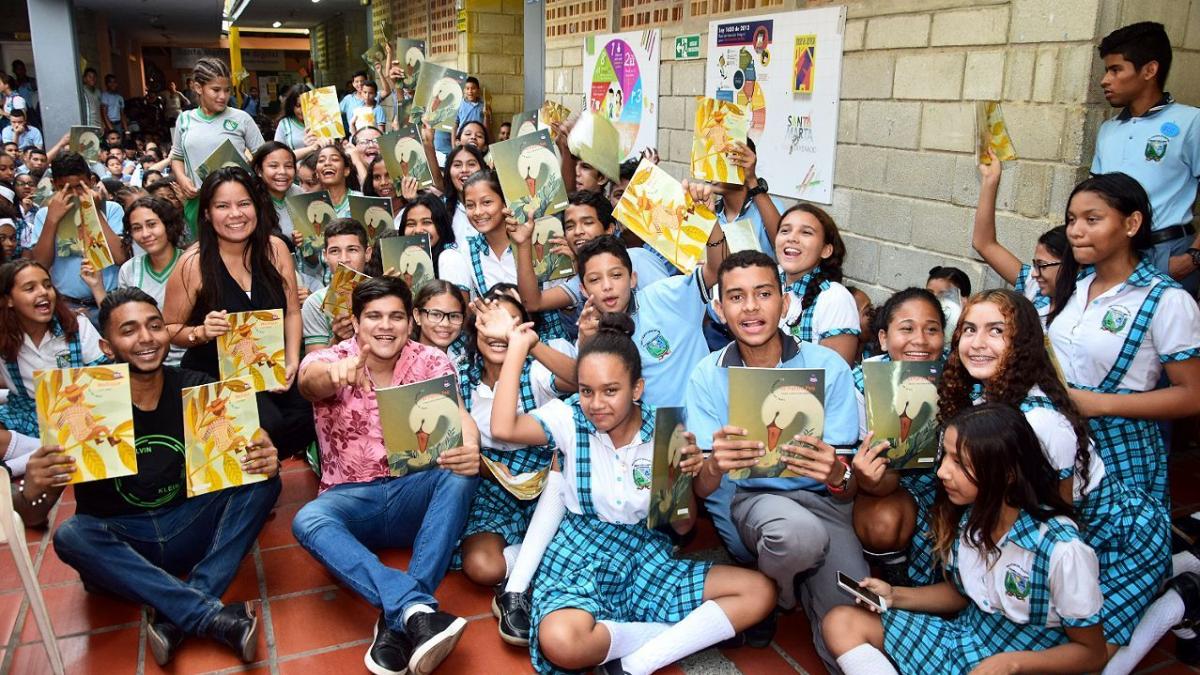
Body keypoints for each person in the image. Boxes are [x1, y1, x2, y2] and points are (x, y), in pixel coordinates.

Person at [490, 312, 776, 675]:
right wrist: (518, 347)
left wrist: (684, 478)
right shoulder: (570, 419)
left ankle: (636, 663)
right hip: (580, 557)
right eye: (586, 390)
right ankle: (682, 634)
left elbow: (683, 527)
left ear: (637, 389)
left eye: (611, 391)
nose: (596, 404)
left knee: (760, 592)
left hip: (645, 556)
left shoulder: (665, 430)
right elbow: (503, 427)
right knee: (561, 642)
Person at [41, 288, 283, 666]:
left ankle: (178, 614)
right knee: (71, 535)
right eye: (130, 330)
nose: (146, 338)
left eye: (155, 326)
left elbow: (257, 420)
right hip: (126, 542)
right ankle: (209, 616)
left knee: (265, 482)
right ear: (107, 346)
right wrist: (36, 483)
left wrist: (262, 446)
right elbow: (31, 508)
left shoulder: (194, 385)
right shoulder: (81, 402)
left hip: (188, 525)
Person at [941, 289, 1170, 668]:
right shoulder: (986, 400)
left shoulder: (1042, 424)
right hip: (1061, 543)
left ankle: (1177, 601)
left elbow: (1060, 520)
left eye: (996, 331)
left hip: (1117, 538)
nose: (978, 343)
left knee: (1092, 660)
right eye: (969, 329)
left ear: (1024, 343)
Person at [822, 404, 1109, 675]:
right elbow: (962, 594)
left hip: (1025, 662)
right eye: (945, 457)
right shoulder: (972, 519)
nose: (942, 472)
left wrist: (1012, 664)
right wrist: (894, 595)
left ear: (1007, 473)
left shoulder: (1062, 549)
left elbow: (1091, 653)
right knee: (841, 622)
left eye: (959, 463)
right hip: (965, 640)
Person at [294, 276, 481, 675]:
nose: (385, 326)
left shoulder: (431, 361)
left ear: (410, 322)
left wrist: (471, 448)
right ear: (355, 321)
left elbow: (460, 414)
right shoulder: (328, 359)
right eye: (374, 316)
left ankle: (400, 617)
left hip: (413, 494)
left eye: (395, 316)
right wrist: (337, 373)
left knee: (460, 474)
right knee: (307, 519)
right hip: (352, 498)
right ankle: (416, 610)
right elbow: (309, 385)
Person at [687, 250, 862, 669]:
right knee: (798, 537)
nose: (750, 307)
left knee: (854, 617)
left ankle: (788, 581)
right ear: (719, 308)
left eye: (763, 293)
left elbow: (848, 484)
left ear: (785, 303)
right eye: (736, 297)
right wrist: (715, 464)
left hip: (829, 504)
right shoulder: (707, 375)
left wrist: (837, 473)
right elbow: (700, 488)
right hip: (756, 499)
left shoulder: (828, 367)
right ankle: (775, 590)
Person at [1047, 173, 1200, 506]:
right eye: (1072, 220)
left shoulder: (1165, 299)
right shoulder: (1075, 286)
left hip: (1119, 454)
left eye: (1092, 219)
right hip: (1057, 445)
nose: (1075, 230)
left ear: (1131, 224)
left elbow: (1193, 395)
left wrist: (1100, 404)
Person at [162, 167, 314, 460]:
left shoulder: (276, 249)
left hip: (270, 367)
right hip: (218, 376)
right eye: (223, 206)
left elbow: (293, 312)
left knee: (310, 410)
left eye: (244, 203)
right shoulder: (192, 264)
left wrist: (292, 360)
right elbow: (169, 329)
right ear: (206, 213)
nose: (236, 214)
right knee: (265, 424)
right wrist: (201, 332)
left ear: (257, 206)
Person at [452, 292, 576, 645]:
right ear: (474, 329)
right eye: (488, 323)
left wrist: (527, 344)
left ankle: (520, 580)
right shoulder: (461, 369)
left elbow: (581, 379)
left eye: (508, 323)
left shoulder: (536, 369)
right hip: (491, 481)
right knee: (481, 567)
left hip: (548, 478)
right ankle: (539, 555)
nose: (497, 332)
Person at [1092, 21, 1200, 292]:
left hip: (1168, 252)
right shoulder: (1108, 130)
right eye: (1107, 70)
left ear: (1150, 70)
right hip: (1113, 255)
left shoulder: (1191, 122)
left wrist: (1193, 257)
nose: (1105, 80)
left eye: (1116, 69)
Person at [849, 288, 945, 586]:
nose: (920, 340)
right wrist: (871, 474)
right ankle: (898, 579)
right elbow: (879, 480)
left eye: (932, 329)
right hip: (891, 487)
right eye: (906, 328)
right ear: (883, 338)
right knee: (882, 519)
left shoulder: (960, 377)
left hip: (948, 485)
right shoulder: (861, 383)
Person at [512, 190, 671, 341]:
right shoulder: (584, 276)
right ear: (584, 288)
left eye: (587, 223)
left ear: (609, 229)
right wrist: (524, 244)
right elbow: (533, 302)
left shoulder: (638, 258)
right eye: (569, 226)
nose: (578, 231)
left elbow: (669, 307)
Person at [0, 260, 106, 437]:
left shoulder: (77, 326)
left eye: (47, 285)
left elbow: (105, 377)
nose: (43, 292)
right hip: (26, 415)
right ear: (8, 300)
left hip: (78, 412)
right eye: (30, 288)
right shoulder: (4, 335)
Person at [23, 151, 128, 318]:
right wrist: (52, 220)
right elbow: (41, 264)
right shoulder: (45, 214)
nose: (74, 194)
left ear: (92, 182)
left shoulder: (112, 209)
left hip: (110, 298)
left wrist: (94, 212)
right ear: (54, 185)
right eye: (64, 188)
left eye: (80, 186)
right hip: (69, 305)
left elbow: (121, 257)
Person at [972, 149, 1065, 323]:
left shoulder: (1085, 305)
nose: (1035, 274)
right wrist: (990, 182)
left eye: (1043, 265)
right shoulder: (1034, 285)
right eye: (1035, 265)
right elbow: (984, 244)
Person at [169, 57, 265, 220]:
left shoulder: (242, 118)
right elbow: (177, 156)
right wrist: (182, 179)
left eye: (227, 90)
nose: (223, 96)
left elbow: (263, 157)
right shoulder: (184, 119)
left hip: (235, 203)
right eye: (216, 90)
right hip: (198, 202)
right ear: (198, 87)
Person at [772, 203, 861, 365]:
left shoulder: (834, 298)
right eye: (785, 230)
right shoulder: (766, 281)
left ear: (826, 250)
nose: (792, 238)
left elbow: (834, 377)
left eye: (806, 232)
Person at [114, 196, 187, 364]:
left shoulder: (191, 264)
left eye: (152, 225)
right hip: (148, 362)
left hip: (192, 361)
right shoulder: (129, 270)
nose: (145, 234)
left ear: (168, 225)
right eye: (137, 228)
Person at [302, 218, 371, 355]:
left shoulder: (386, 295)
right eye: (334, 251)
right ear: (325, 256)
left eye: (352, 249)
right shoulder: (315, 303)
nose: (344, 259)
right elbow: (312, 367)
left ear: (367, 254)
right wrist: (337, 339)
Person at [442, 144, 486, 248]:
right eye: (457, 165)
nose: (464, 170)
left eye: (471, 164)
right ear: (448, 171)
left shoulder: (498, 204)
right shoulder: (440, 208)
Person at [411, 280, 468, 360]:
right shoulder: (401, 358)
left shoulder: (471, 361)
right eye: (436, 314)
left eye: (454, 316)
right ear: (417, 315)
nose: (445, 324)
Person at [273, 85, 320, 161]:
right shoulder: (285, 124)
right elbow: (278, 155)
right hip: (294, 170)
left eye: (306, 105)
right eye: (298, 106)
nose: (303, 110)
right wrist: (310, 148)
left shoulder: (323, 122)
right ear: (291, 106)